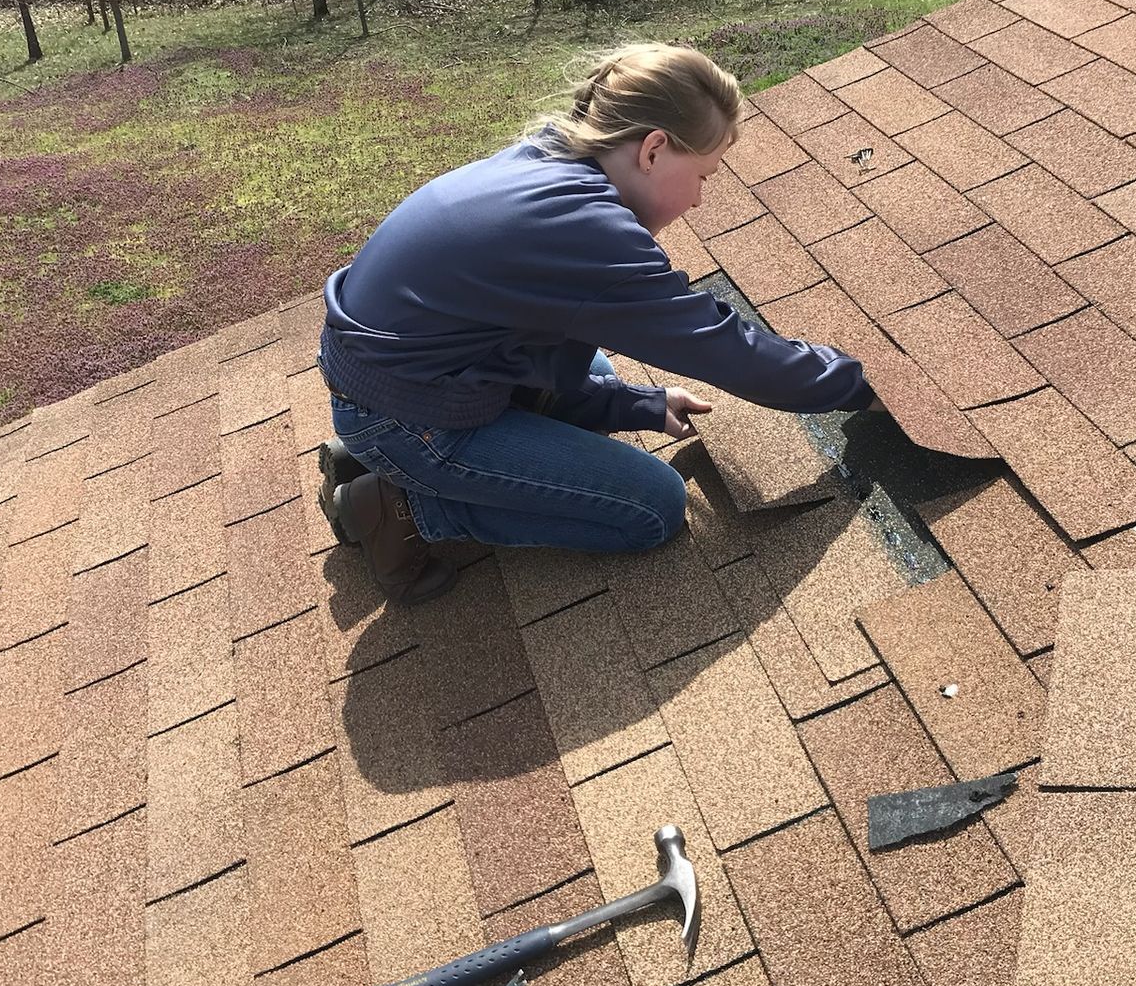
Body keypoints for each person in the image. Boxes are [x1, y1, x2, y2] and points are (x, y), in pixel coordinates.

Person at [317, 42, 878, 604]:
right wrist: (860, 386)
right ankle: (404, 508)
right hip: (403, 413)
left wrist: (640, 406)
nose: (700, 200)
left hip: (398, 376)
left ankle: (379, 456)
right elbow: (725, 349)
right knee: (650, 508)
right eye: (704, 175)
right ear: (654, 149)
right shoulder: (589, 233)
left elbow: (541, 343)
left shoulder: (554, 160)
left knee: (594, 363)